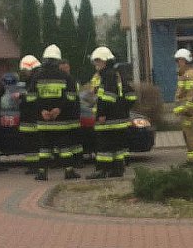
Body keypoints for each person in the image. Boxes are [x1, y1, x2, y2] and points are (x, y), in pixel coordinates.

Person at [29, 44, 82, 181]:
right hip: (61, 121)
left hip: (44, 121)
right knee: (64, 147)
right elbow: (71, 97)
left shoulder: (36, 77)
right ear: (58, 60)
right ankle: (69, 172)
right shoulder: (65, 77)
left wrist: (42, 110)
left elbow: (31, 98)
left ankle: (42, 173)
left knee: (44, 148)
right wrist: (59, 109)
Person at [86, 46, 137, 179]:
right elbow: (131, 95)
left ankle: (102, 170)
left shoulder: (107, 75)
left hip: (108, 120)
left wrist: (102, 114)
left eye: (98, 61)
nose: (96, 64)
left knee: (104, 146)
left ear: (105, 61)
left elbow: (107, 97)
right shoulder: (118, 74)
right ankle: (117, 170)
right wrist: (123, 109)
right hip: (119, 118)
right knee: (117, 147)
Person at [173, 48, 193, 163]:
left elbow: (192, 95)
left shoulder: (190, 75)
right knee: (188, 137)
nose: (177, 63)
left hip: (189, 112)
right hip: (186, 113)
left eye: (178, 60)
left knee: (191, 138)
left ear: (184, 60)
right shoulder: (185, 74)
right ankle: (191, 161)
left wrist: (181, 108)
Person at [17, 55, 41, 174]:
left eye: (24, 71)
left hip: (31, 117)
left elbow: (32, 97)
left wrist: (21, 96)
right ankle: (33, 166)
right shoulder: (34, 79)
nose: (24, 73)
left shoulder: (34, 79)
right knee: (32, 143)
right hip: (32, 117)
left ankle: (34, 166)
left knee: (32, 143)